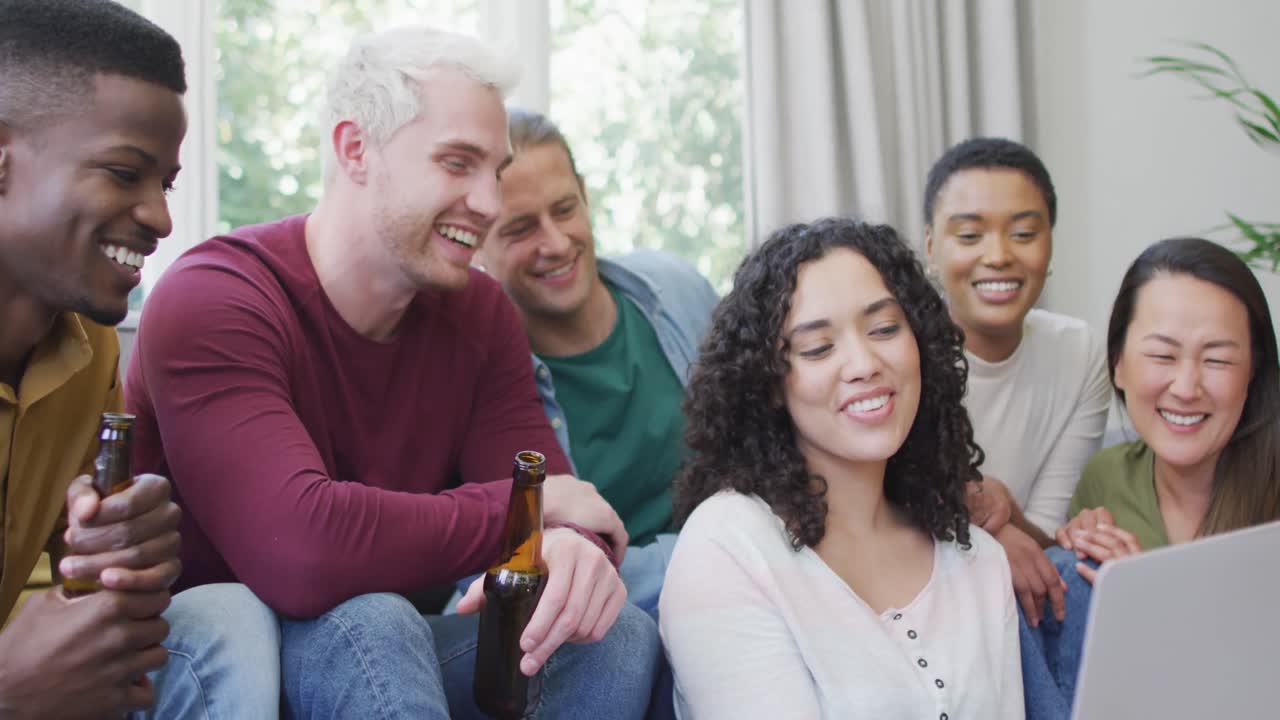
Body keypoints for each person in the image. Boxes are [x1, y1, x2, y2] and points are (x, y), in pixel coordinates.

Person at [126, 25, 660, 719]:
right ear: (355, 149)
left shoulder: (481, 313)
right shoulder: (217, 297)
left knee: (609, 633)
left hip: (391, 663)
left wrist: (566, 547)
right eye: (457, 163)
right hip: (228, 660)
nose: (490, 204)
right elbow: (302, 549)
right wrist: (523, 512)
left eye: (493, 171)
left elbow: (555, 500)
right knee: (370, 618)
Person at [0, 2, 275, 718]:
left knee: (223, 622)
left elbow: (80, 597)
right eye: (126, 173)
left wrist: (121, 552)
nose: (160, 217)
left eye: (167, 184)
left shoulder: (89, 352)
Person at [660, 218, 1023, 718]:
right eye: (818, 348)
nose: (864, 363)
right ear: (768, 382)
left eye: (885, 329)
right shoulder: (729, 548)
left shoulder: (977, 560)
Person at [1021, 237, 1280, 720]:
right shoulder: (1106, 478)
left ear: (1254, 370)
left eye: (1218, 359)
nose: (1186, 387)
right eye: (1163, 356)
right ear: (1117, 364)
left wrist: (1153, 608)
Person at [476, 108, 718, 616]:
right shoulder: (483, 388)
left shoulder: (677, 293)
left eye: (564, 209)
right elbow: (536, 577)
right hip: (616, 626)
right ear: (479, 247)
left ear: (585, 194)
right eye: (520, 229)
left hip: (748, 591)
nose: (556, 243)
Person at [923, 137, 1111, 627]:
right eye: (969, 237)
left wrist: (1003, 518)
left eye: (1024, 233)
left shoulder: (1079, 351)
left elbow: (1046, 538)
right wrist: (991, 534)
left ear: (1050, 242)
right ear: (930, 249)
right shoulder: (899, 357)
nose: (999, 255)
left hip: (1017, 596)